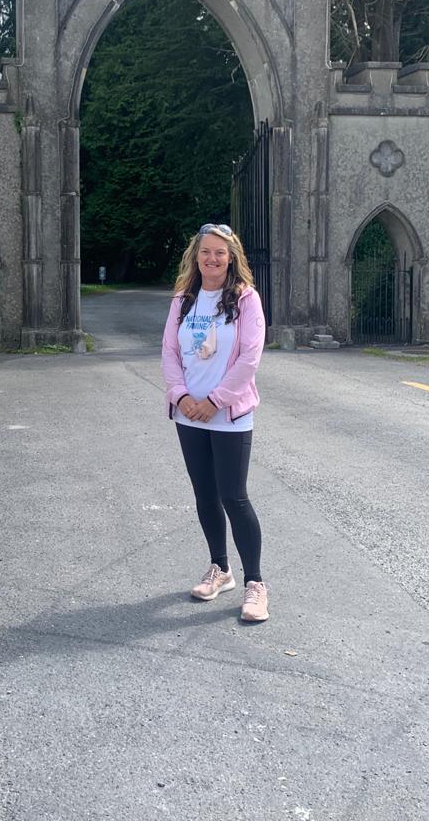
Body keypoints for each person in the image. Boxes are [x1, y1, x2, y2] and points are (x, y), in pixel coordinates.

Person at [161, 223, 268, 623]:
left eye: (220, 252)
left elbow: (250, 358)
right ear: (196, 256)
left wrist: (215, 401)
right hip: (189, 414)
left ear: (231, 258)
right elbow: (169, 352)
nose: (212, 259)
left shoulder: (246, 299)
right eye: (205, 252)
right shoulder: (183, 299)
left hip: (229, 415)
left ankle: (255, 584)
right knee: (205, 494)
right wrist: (181, 396)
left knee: (234, 497)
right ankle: (220, 569)